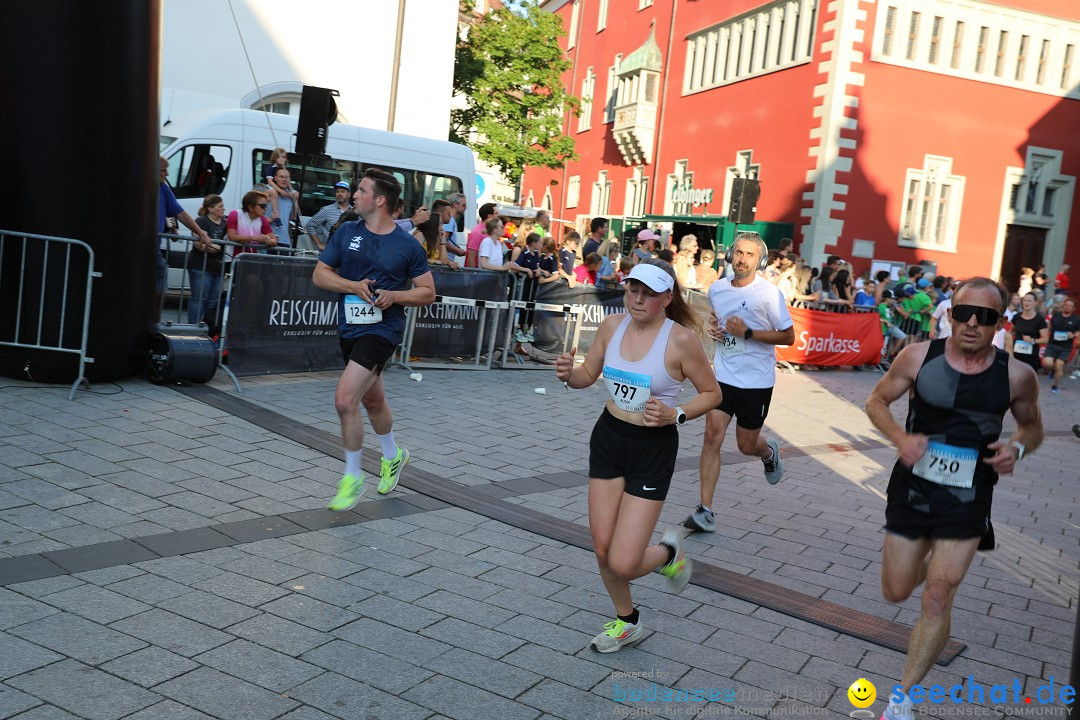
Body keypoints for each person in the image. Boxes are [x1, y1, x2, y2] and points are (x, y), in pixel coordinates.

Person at [864, 277, 1043, 720]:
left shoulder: (1017, 375)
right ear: (949, 314)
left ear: (999, 323)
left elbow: (1033, 426)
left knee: (938, 596)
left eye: (984, 317)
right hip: (912, 487)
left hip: (970, 494)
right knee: (896, 590)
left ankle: (901, 700)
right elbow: (876, 401)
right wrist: (899, 438)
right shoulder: (916, 356)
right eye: (963, 313)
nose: (971, 324)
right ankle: (934, 567)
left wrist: (1016, 447)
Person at [555, 260, 722, 653]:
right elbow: (586, 377)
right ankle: (627, 621)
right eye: (633, 289)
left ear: (667, 298)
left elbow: (713, 394)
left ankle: (668, 552)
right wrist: (568, 374)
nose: (638, 298)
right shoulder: (612, 326)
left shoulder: (680, 341)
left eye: (649, 293)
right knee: (602, 549)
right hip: (610, 438)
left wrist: (675, 414)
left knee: (625, 562)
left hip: (653, 448)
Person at [312, 168, 436, 508]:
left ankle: (352, 477)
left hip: (383, 330)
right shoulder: (346, 232)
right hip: (349, 327)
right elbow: (320, 275)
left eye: (362, 190)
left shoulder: (407, 245)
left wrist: (395, 296)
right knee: (373, 400)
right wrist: (352, 286)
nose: (354, 195)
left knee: (344, 400)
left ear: (379, 200)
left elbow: (427, 293)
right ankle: (393, 454)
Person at [685, 232, 795, 533]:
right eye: (738, 253)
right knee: (712, 436)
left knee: (746, 444)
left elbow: (788, 336)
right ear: (730, 255)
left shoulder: (769, 294)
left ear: (759, 260)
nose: (742, 259)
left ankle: (768, 453)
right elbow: (719, 321)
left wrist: (748, 333)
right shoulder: (718, 289)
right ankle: (705, 510)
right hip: (723, 375)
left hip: (756, 381)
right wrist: (716, 329)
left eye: (749, 254)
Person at [158, 157, 212, 316]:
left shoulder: (164, 189)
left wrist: (201, 233)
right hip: (142, 250)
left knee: (159, 290)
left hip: (155, 251)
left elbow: (180, 213)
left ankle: (153, 324)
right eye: (163, 170)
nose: (166, 174)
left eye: (167, 170)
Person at [187, 194, 226, 327]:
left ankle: (207, 329)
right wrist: (214, 247)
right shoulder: (201, 221)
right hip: (200, 265)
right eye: (220, 206)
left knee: (213, 301)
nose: (223, 209)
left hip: (218, 267)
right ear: (210, 208)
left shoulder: (225, 223)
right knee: (199, 299)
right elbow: (199, 245)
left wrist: (213, 246)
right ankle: (193, 328)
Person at [1006, 292, 1048, 377]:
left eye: (1029, 301)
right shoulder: (1016, 317)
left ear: (1035, 303)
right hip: (1016, 353)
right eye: (1025, 300)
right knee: (1014, 378)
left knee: (1028, 381)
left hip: (1031, 355)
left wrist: (1032, 340)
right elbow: (1011, 332)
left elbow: (1045, 339)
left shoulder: (1040, 320)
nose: (1026, 303)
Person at [1042, 296, 1079, 394]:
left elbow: (1078, 333)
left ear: (1073, 308)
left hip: (1065, 347)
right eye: (1066, 305)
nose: (1067, 307)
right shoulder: (1056, 316)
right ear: (1063, 306)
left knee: (1059, 366)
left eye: (1070, 306)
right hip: (1052, 344)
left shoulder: (1076, 319)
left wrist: (1073, 335)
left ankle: (1055, 385)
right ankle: (1052, 370)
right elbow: (1049, 328)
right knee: (1047, 364)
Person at [307, 181, 353, 252]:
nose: (339, 194)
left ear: (349, 194)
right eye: (337, 192)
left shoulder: (354, 212)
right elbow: (310, 225)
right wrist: (319, 244)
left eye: (343, 191)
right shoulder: (327, 210)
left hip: (347, 252)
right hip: (330, 252)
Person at [270, 167, 299, 249]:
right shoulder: (269, 192)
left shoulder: (291, 196)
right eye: (281, 177)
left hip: (285, 241)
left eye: (287, 177)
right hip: (270, 240)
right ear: (275, 178)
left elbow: (290, 219)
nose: (284, 180)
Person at [260, 147, 290, 227]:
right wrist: (280, 191)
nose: (281, 159)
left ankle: (293, 217)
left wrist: (292, 191)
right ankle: (276, 215)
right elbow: (270, 182)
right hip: (266, 186)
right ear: (274, 158)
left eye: (283, 157)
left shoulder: (282, 169)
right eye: (279, 157)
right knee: (274, 193)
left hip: (273, 186)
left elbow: (288, 181)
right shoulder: (271, 168)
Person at [466, 202, 499, 267]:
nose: (498, 215)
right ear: (489, 216)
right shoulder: (477, 232)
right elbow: (471, 259)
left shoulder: (491, 231)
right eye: (496, 213)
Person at [442, 192, 468, 259]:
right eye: (463, 205)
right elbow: (443, 241)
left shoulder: (451, 220)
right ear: (455, 204)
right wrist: (458, 250)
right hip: (446, 260)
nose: (466, 207)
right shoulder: (450, 220)